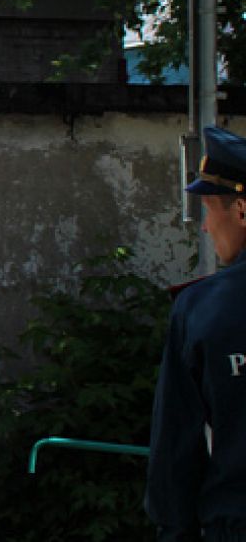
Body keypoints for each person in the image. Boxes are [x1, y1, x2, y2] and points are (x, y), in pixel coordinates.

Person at [148, 125, 246, 541]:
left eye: (210, 210)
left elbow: (176, 449)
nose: (205, 228)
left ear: (241, 210)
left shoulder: (204, 310)